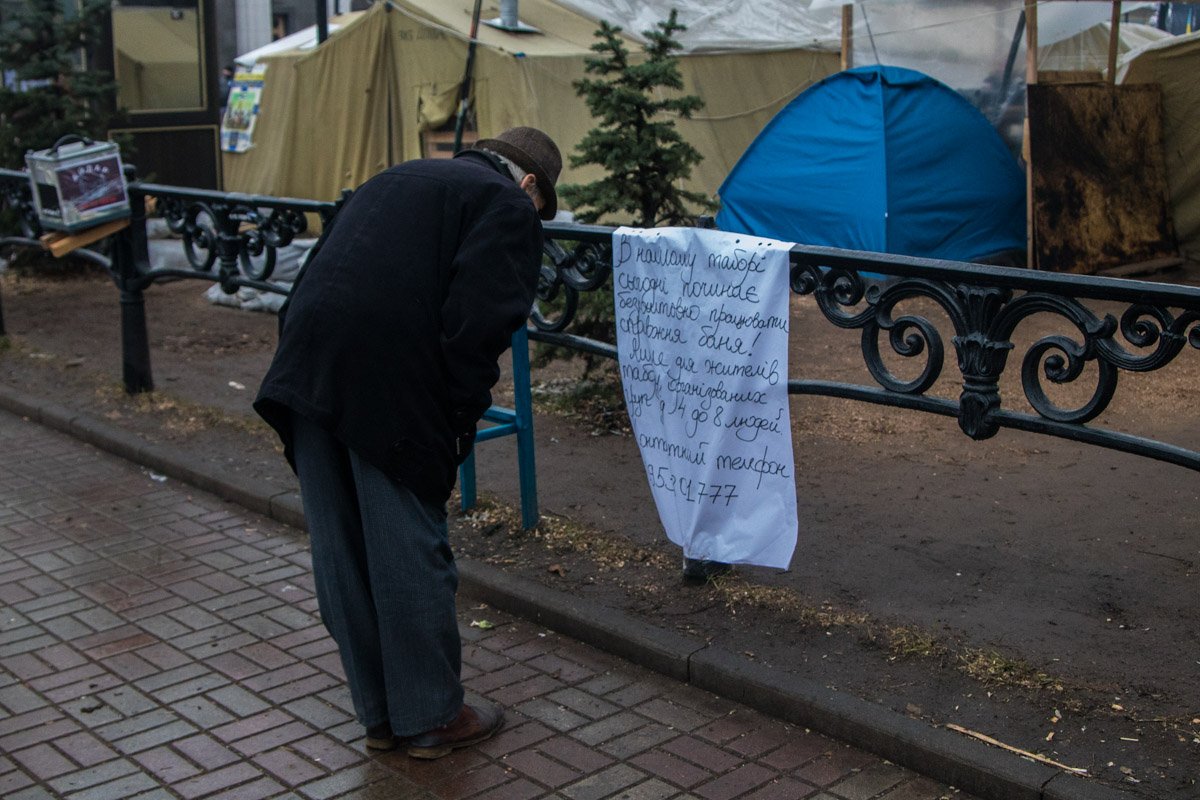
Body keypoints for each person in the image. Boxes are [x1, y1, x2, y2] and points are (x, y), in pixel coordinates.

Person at [254, 127, 561, 758]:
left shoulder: (397, 175)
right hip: (390, 382)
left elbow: (316, 274)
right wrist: (455, 420)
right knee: (405, 547)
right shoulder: (504, 205)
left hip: (305, 366)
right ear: (529, 184)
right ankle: (431, 716)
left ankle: (380, 714)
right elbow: (480, 325)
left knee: (340, 548)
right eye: (541, 208)